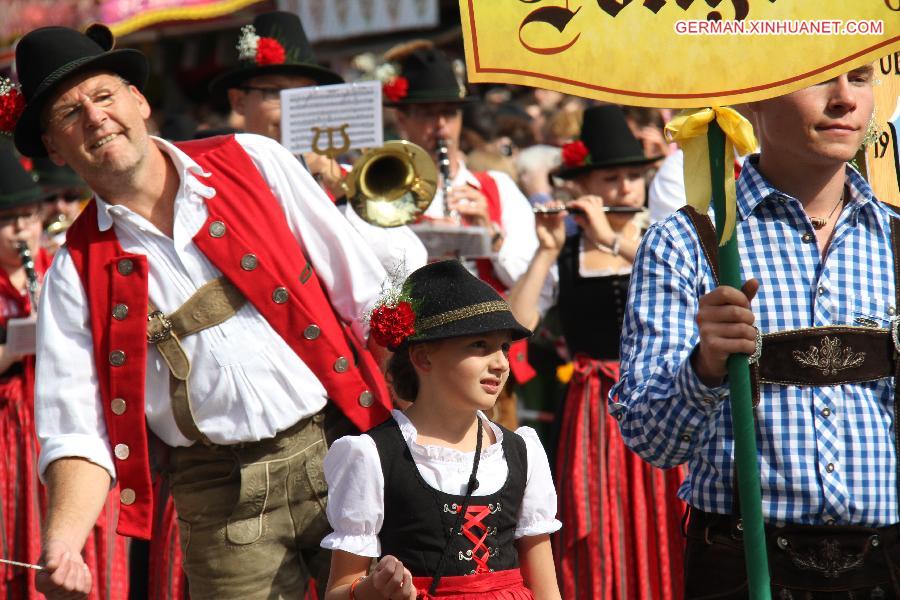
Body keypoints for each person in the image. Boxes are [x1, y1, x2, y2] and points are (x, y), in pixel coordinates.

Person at [13, 24, 392, 598]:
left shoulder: (255, 161)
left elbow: (367, 297)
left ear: (138, 101)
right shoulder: (72, 273)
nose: (94, 118)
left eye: (105, 96)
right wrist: (63, 541)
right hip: (220, 502)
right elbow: (75, 430)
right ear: (54, 149)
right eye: (69, 114)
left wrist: (428, 415)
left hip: (341, 455)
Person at [612, 65, 900, 597]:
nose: (844, 100)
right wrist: (704, 368)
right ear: (753, 99)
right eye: (819, 79)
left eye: (859, 78)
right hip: (742, 565)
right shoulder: (688, 241)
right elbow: (649, 440)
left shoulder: (895, 239)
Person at [506, 104, 685, 599]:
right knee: (599, 527)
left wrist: (611, 238)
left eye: (633, 176)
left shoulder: (662, 240)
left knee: (664, 520)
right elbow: (517, 324)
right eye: (612, 178)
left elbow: (690, 290)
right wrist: (545, 251)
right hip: (593, 411)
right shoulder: (564, 253)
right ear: (584, 186)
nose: (626, 188)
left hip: (661, 397)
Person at [321, 260, 562, 599]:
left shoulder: (521, 451)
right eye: (479, 345)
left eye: (504, 347)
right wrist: (371, 590)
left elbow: (547, 590)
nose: (500, 363)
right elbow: (337, 591)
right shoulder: (373, 455)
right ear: (423, 358)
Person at [384, 42, 540, 427]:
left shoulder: (497, 187)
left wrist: (492, 234)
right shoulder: (382, 192)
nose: (440, 127)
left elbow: (536, 283)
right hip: (414, 368)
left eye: (449, 114)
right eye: (426, 114)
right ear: (402, 120)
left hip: (487, 371)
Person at [0, 141, 129, 599]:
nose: (21, 230)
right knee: (18, 527)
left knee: (84, 524)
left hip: (70, 421)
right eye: (9, 222)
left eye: (28, 218)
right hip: (9, 434)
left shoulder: (61, 269)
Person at [211, 11, 426, 276]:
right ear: (238, 102)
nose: (293, 110)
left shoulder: (348, 181)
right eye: (275, 92)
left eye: (303, 94)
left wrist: (342, 195)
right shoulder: (218, 184)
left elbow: (407, 266)